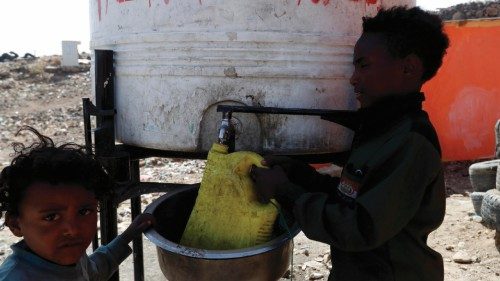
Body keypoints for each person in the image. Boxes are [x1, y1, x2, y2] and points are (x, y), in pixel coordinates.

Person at [251, 6, 449, 281]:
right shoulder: (381, 129)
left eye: (363, 65)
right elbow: (352, 196)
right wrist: (302, 176)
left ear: (409, 68)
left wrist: (286, 192)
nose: (353, 78)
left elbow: (360, 227)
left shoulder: (411, 142)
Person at [0, 126, 155, 281]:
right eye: (51, 217)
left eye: (84, 212)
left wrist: (128, 235)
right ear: (15, 225)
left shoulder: (68, 254)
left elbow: (93, 273)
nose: (73, 230)